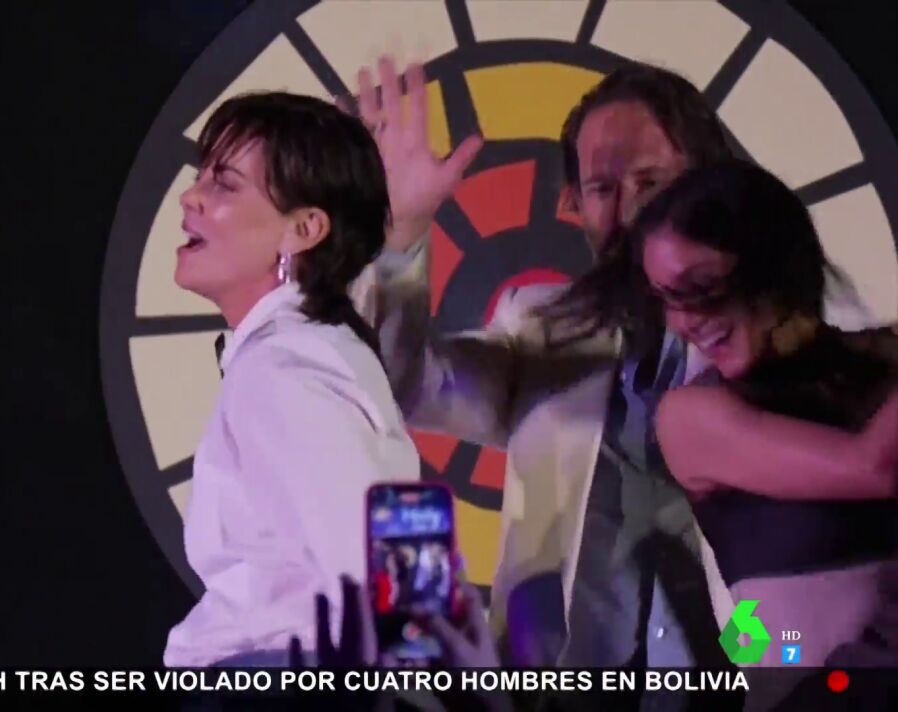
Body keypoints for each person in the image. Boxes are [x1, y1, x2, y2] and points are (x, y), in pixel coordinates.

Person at [349, 53, 876, 677]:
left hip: (763, 678)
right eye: (603, 188)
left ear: (709, 180)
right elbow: (400, 382)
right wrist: (401, 238)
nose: (630, 211)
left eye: (651, 181)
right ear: (574, 202)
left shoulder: (803, 329)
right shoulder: (542, 330)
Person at [162, 91, 421, 668]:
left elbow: (370, 579)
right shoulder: (307, 351)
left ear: (304, 228)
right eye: (201, 176)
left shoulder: (283, 368)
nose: (190, 197)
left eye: (224, 184)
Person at [620, 162, 898, 699]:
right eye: (666, 298)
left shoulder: (880, 362)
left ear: (771, 260)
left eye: (699, 288)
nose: (683, 320)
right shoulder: (693, 416)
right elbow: (874, 466)